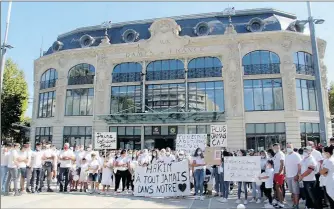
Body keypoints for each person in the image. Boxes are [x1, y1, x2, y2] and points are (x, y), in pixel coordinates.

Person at [284, 143, 302, 209]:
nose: (288, 148)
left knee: (296, 192)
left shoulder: (296, 155)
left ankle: (296, 205)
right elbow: (285, 166)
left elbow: (299, 166)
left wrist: (297, 175)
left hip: (294, 176)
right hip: (288, 176)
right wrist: (285, 175)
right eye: (287, 147)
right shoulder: (286, 155)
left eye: (289, 147)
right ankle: (294, 203)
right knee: (291, 191)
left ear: (292, 147)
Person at [272, 143, 285, 208]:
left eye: (276, 147)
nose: (275, 148)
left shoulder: (280, 154)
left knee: (278, 187)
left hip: (279, 173)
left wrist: (280, 172)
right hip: (275, 173)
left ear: (279, 147)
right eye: (274, 147)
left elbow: (282, 163)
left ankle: (281, 202)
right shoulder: (276, 154)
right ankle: (278, 201)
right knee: (276, 188)